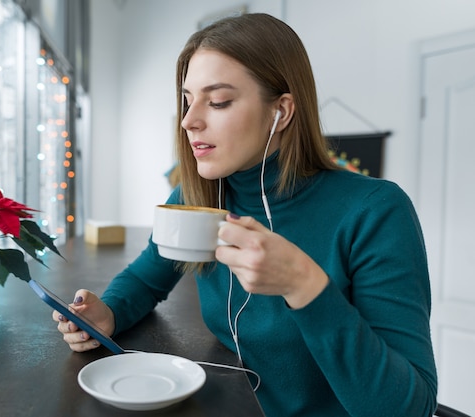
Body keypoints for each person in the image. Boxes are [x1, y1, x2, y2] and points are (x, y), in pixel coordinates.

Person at [54, 12, 437, 416]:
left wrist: (304, 286)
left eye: (218, 101)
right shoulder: (196, 196)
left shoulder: (375, 211)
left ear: (282, 112)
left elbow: (409, 407)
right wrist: (108, 312)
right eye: (187, 100)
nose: (188, 121)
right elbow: (147, 277)